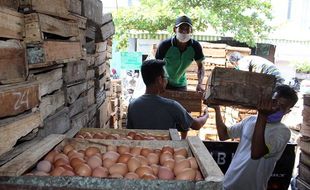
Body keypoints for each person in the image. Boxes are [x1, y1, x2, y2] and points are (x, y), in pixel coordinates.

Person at [211, 85, 298, 190]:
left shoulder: (282, 132)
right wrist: (217, 109)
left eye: (282, 107)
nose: (276, 108)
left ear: (288, 111)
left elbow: (256, 153)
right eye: (275, 102)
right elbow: (223, 135)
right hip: (228, 184)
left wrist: (262, 115)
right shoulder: (250, 120)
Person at [126, 59, 208, 139]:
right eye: (166, 77)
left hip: (140, 151)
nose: (167, 80)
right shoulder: (172, 106)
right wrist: (206, 116)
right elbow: (196, 125)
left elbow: (129, 134)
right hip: (165, 150)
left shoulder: (132, 105)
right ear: (159, 80)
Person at [155, 15, 205, 92]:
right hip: (165, 83)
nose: (184, 31)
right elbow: (156, 65)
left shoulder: (195, 47)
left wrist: (200, 84)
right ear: (175, 29)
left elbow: (200, 66)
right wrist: (161, 81)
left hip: (181, 84)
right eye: (181, 28)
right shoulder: (165, 45)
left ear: (191, 31)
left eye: (187, 29)